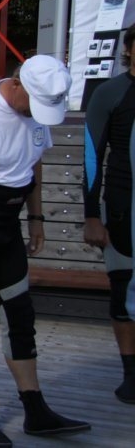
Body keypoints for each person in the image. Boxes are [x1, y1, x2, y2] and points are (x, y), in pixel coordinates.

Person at [0, 55, 91, 446]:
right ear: (16, 84)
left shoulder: (35, 113)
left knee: (21, 315)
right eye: (34, 104)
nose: (35, 114)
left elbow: (35, 164)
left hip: (8, 224)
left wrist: (38, 218)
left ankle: (34, 408)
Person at [83, 22, 135, 405]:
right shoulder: (111, 92)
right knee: (124, 289)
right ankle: (131, 373)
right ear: (129, 50)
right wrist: (91, 216)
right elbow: (91, 156)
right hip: (123, 208)